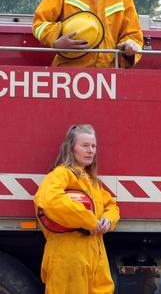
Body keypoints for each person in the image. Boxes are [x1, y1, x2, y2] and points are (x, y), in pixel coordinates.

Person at [34, 124, 119, 294]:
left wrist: (108, 220)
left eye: (93, 146)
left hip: (95, 256)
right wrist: (89, 221)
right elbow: (49, 200)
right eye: (85, 145)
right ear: (71, 148)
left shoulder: (91, 181)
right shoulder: (61, 174)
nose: (90, 151)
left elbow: (111, 204)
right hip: (68, 257)